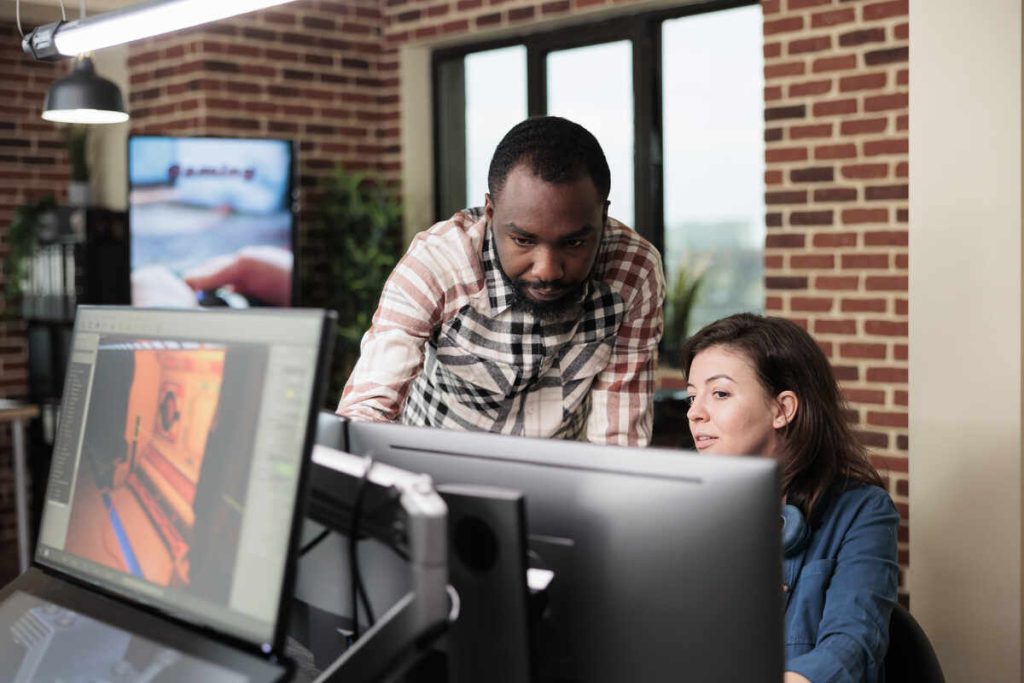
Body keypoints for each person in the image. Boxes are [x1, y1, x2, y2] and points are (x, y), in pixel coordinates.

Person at [338, 116, 665, 446]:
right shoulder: (438, 263)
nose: (547, 271)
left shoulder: (634, 272)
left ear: (603, 216)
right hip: (432, 477)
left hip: (560, 483)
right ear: (490, 214)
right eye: (523, 241)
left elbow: (618, 440)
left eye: (574, 243)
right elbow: (367, 412)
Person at [680, 313, 899, 683]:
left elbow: (851, 647)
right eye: (691, 396)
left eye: (719, 393)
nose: (695, 413)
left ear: (782, 409)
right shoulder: (684, 507)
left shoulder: (863, 511)